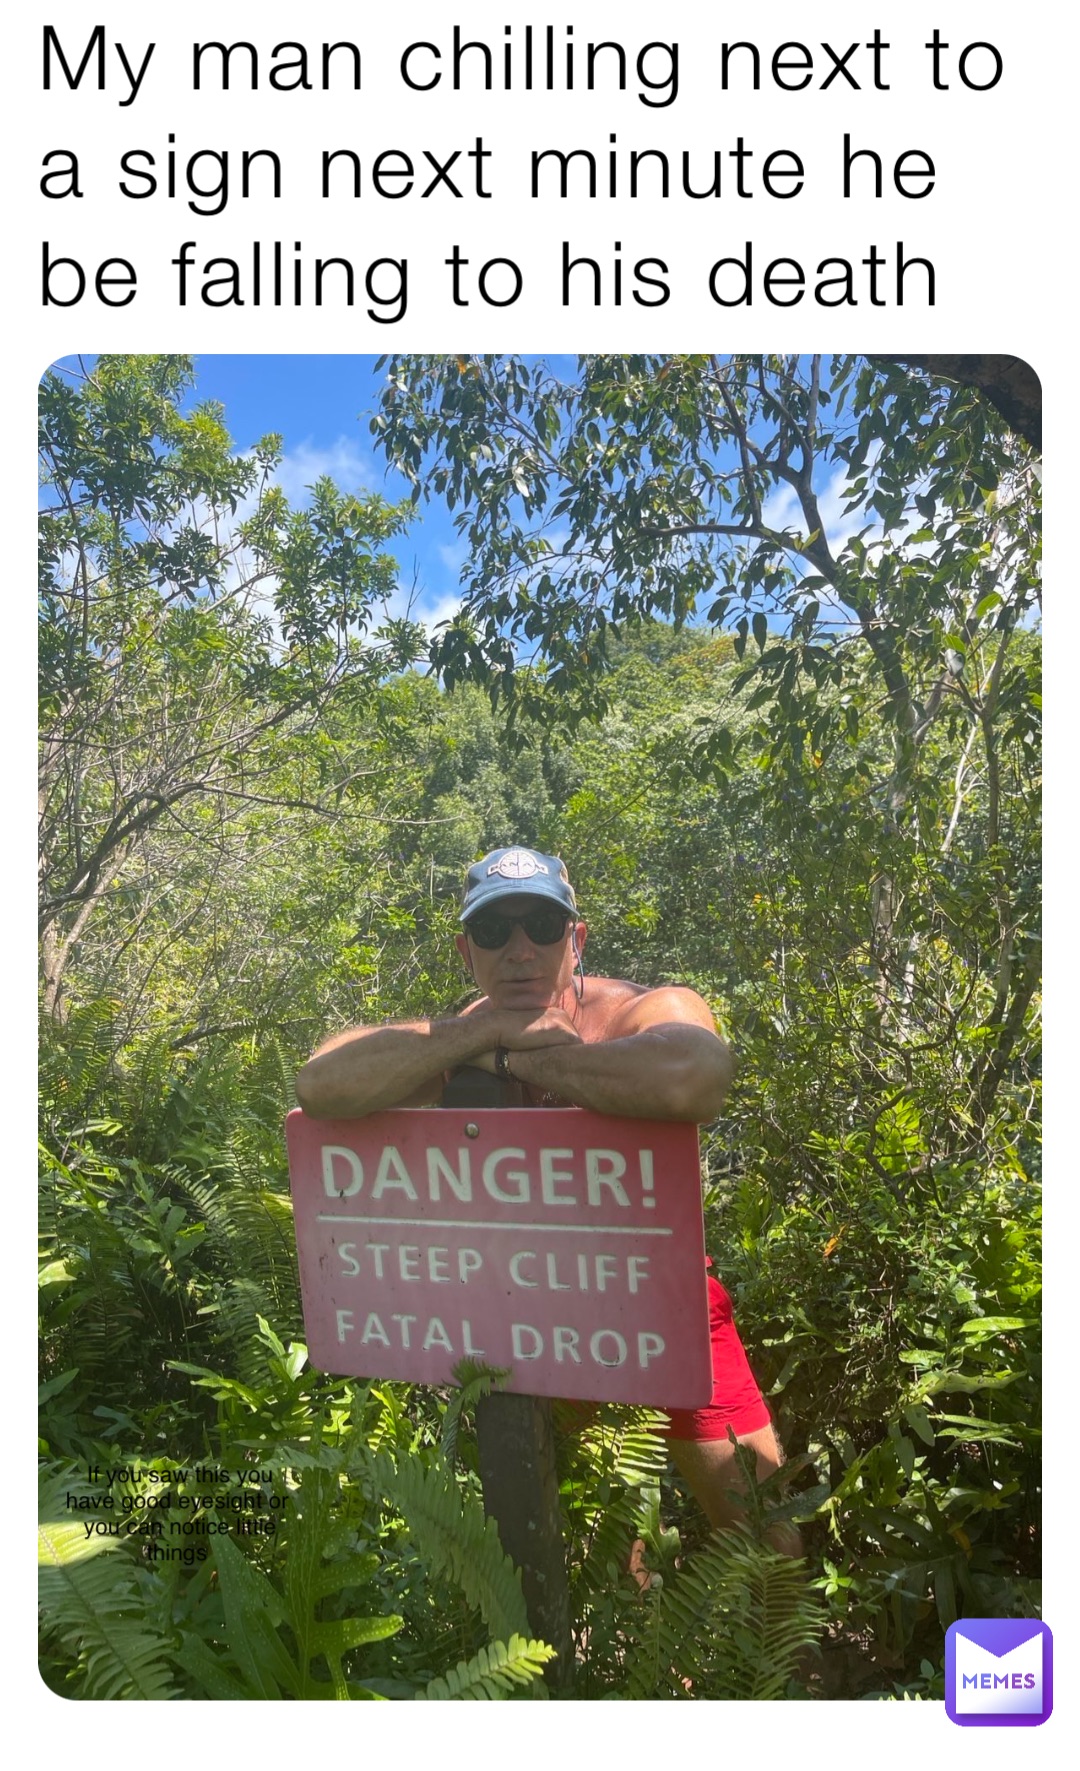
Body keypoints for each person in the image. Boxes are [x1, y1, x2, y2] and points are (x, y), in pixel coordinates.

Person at [296, 844, 795, 1547]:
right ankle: (640, 1654)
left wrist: (518, 1053)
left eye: (542, 925)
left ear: (576, 938)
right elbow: (321, 1082)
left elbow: (696, 1072)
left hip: (665, 1300)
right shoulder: (462, 1031)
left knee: (763, 1525)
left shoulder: (634, 1010)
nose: (520, 949)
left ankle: (786, 1658)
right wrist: (481, 1035)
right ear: (467, 950)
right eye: (496, 931)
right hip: (534, 1313)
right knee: (598, 1532)